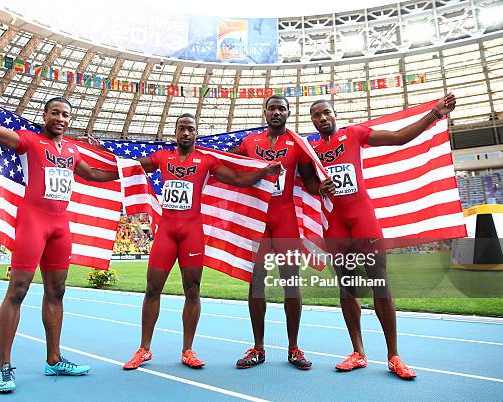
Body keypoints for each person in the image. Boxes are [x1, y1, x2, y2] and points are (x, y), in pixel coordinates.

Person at [0, 79, 120, 393]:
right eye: (55, 113)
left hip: (60, 227)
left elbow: (93, 174)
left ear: (70, 120)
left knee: (57, 292)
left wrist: (126, 168)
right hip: (33, 223)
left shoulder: (72, 149)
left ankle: (54, 359)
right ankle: (3, 366)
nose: (60, 119)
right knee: (18, 290)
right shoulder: (29, 140)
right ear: (45, 115)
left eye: (65, 115)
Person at [308, 93, 456, 379]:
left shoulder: (354, 134)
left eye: (326, 113)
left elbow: (400, 137)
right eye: (317, 115)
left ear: (334, 114)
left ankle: (394, 356)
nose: (323, 118)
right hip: (335, 223)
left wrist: (435, 114)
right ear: (313, 121)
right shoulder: (311, 149)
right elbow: (308, 181)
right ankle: (358, 353)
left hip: (362, 219)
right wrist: (319, 188)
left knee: (380, 283)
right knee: (347, 287)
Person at [123, 113, 282, 370]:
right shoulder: (162, 157)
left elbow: (239, 180)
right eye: (182, 129)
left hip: (192, 232)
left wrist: (264, 171)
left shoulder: (207, 160)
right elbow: (131, 165)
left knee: (192, 290)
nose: (186, 133)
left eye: (191, 129)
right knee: (152, 288)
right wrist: (103, 152)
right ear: (175, 132)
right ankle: (144, 349)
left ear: (196, 133)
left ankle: (188, 350)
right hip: (166, 231)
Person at [229, 95, 335, 370]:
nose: (276, 112)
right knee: (256, 284)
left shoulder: (297, 144)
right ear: (264, 112)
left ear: (288, 113)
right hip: (258, 222)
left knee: (291, 284)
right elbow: (226, 164)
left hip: (285, 220)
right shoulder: (250, 143)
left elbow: (309, 180)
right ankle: (258, 348)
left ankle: (294, 348)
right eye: (272, 108)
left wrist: (320, 189)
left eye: (281, 109)